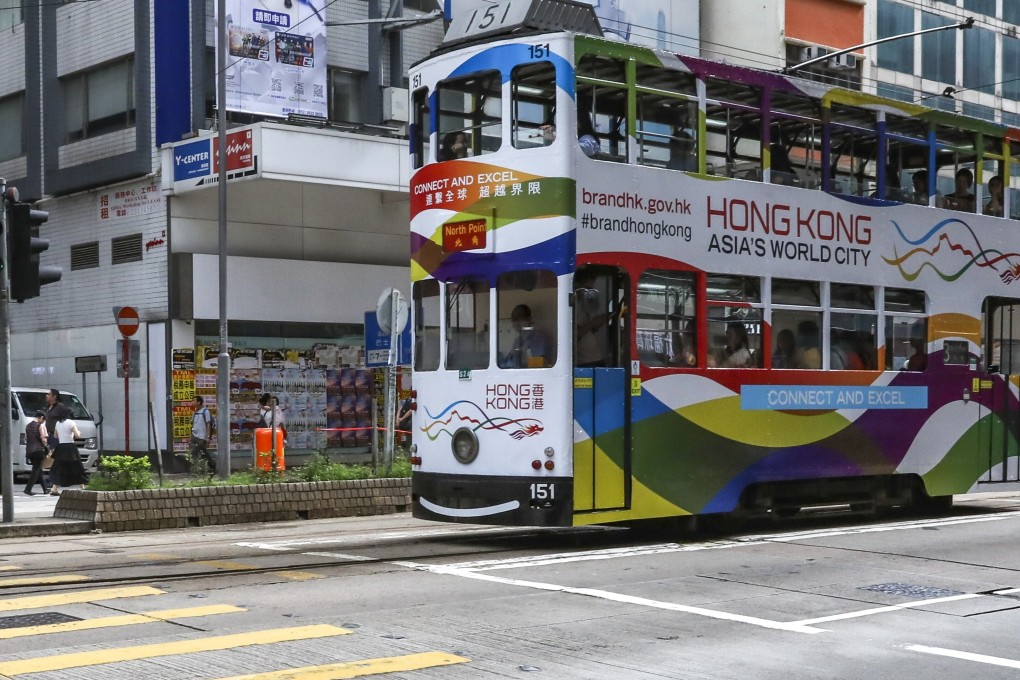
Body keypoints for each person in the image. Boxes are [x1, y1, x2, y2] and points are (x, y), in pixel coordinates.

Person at [575, 272, 608, 368]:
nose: (589, 293)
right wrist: (592, 324)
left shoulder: (583, 306)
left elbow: (585, 330)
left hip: (595, 358)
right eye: (587, 289)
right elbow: (575, 335)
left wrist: (597, 324)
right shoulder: (572, 307)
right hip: (585, 361)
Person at [49, 408, 85, 496]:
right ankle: (82, 486)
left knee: (59, 467)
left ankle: (54, 488)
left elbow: (55, 436)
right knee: (77, 466)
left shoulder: (58, 423)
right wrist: (78, 433)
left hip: (61, 447)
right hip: (70, 447)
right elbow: (77, 435)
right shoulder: (71, 422)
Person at [23, 410, 50, 495]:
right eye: (44, 420)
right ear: (41, 417)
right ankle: (28, 489)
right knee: (36, 470)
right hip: (38, 450)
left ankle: (45, 489)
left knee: (38, 470)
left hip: (29, 450)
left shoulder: (28, 426)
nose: (44, 422)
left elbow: (26, 438)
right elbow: (43, 439)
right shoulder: (41, 426)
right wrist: (46, 447)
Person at [190, 396, 216, 474]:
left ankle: (207, 465)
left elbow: (208, 424)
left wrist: (208, 437)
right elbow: (193, 423)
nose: (192, 402)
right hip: (194, 436)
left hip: (201, 436)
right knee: (199, 452)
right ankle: (210, 465)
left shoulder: (205, 411)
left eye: (194, 401)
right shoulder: (195, 412)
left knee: (197, 451)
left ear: (199, 402)